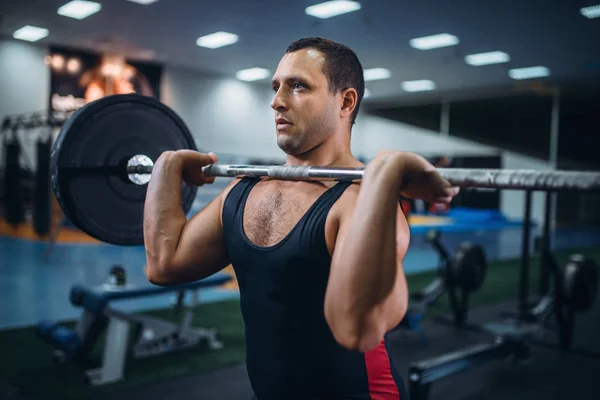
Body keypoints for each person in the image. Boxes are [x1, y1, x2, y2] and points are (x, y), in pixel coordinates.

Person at [143, 37, 458, 400]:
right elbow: (165, 264)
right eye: (276, 86)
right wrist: (165, 167)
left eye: (298, 86)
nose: (277, 101)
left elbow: (359, 330)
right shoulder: (245, 190)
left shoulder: (359, 201)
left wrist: (388, 171)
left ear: (346, 101)